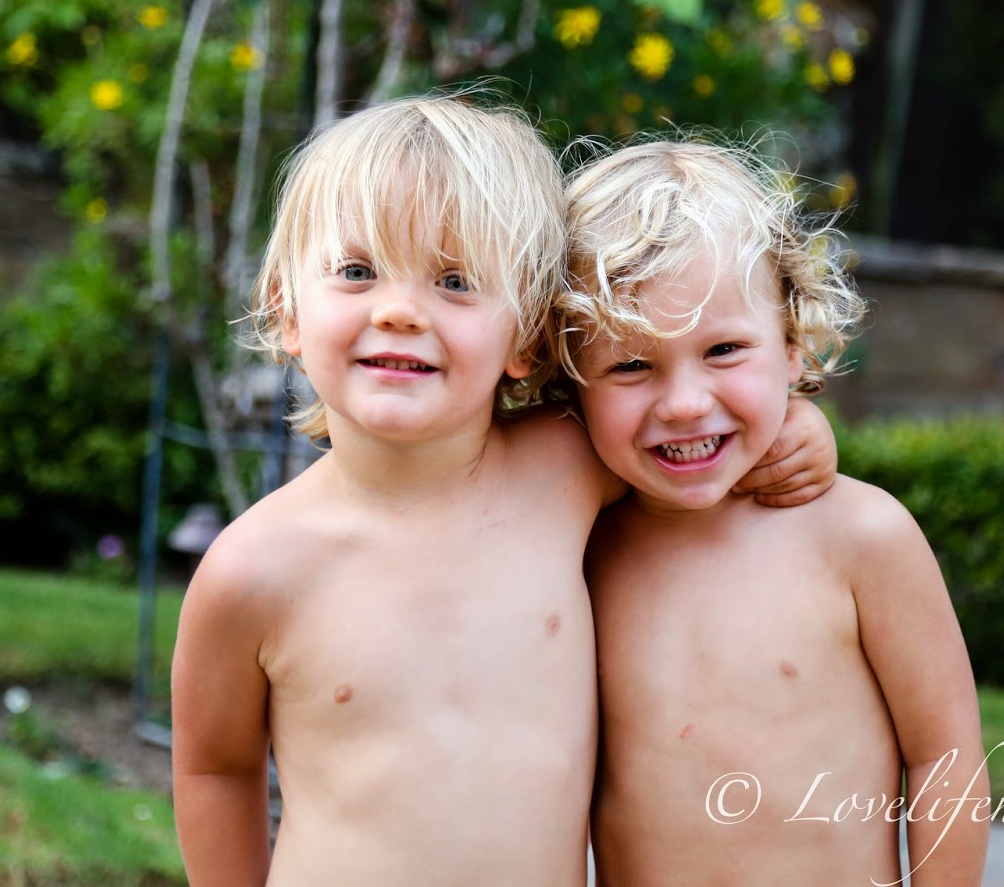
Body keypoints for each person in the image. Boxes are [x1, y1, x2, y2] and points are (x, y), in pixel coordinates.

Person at [169, 96, 838, 887]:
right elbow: (216, 768)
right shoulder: (253, 570)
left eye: (455, 281)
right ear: (287, 309)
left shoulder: (565, 470)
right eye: (357, 271)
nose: (399, 310)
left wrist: (796, 423)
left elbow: (682, 434)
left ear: (524, 333)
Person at [558, 140, 989, 886]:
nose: (684, 403)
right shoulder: (575, 548)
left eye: (724, 349)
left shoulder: (861, 538)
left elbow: (944, 756)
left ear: (792, 344)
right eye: (631, 364)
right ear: (569, 381)